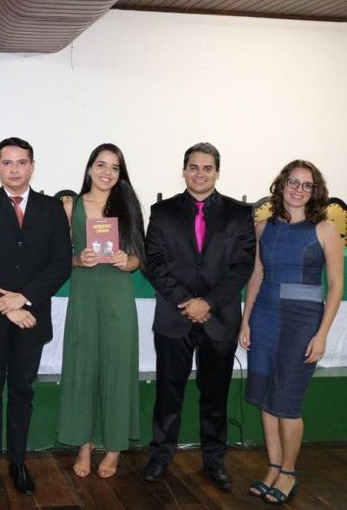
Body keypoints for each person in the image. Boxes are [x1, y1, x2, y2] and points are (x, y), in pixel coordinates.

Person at [0, 137, 71, 497]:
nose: (14, 169)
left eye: (21, 162)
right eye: (6, 162)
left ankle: (18, 461)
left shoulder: (51, 208)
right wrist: (4, 303)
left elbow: (60, 264)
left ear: (32, 166)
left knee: (22, 392)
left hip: (31, 319)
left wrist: (23, 299)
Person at [141, 142, 255, 492]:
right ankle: (161, 455)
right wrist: (186, 301)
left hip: (219, 318)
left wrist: (208, 303)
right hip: (174, 316)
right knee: (168, 392)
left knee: (215, 395)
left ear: (217, 172)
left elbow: (242, 266)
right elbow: (154, 262)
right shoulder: (162, 211)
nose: (200, 173)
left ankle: (214, 460)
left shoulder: (239, 213)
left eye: (207, 168)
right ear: (184, 171)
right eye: (193, 167)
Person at [239, 160, 343, 504]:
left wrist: (322, 334)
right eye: (293, 182)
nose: (298, 189)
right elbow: (256, 275)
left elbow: (335, 287)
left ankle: (289, 472)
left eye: (306, 185)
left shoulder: (325, 229)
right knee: (266, 396)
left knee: (287, 400)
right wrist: (245, 320)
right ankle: (273, 466)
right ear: (281, 185)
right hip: (265, 317)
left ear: (315, 191)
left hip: (303, 322)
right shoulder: (263, 227)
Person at [56, 143, 144, 479]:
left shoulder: (128, 206)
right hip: (84, 297)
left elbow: (139, 257)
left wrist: (127, 261)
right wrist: (78, 259)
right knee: (82, 369)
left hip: (118, 298)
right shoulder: (71, 206)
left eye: (114, 167)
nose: (107, 172)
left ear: (121, 173)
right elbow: (56, 257)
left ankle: (115, 448)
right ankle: (84, 445)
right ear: (90, 167)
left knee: (118, 369)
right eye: (101, 165)